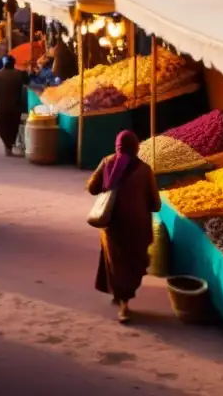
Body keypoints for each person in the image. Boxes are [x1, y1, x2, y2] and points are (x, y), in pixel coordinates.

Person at [86, 130, 161, 324]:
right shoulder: (145, 170)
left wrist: (107, 184)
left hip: (113, 225)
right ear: (136, 146)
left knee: (116, 262)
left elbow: (92, 188)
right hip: (138, 227)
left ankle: (120, 297)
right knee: (132, 264)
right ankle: (124, 302)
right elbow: (156, 204)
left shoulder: (107, 162)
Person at [0, 55, 27, 156]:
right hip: (16, 107)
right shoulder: (19, 74)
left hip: (1, 107)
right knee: (13, 126)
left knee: (2, 127)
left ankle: (7, 145)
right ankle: (9, 145)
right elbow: (27, 84)